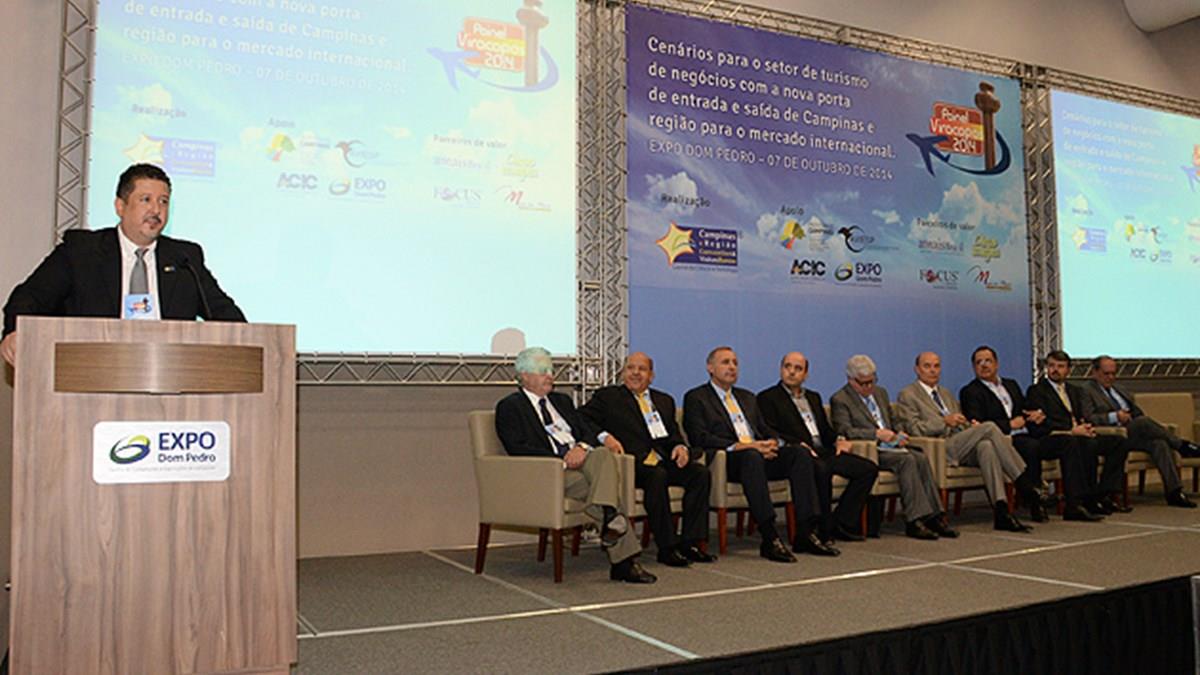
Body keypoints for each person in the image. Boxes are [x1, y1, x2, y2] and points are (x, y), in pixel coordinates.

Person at [2, 163, 244, 365]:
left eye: (163, 201)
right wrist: (14, 333)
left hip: (169, 373)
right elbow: (29, 297)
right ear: (120, 206)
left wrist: (248, 342)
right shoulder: (82, 252)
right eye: (146, 200)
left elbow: (223, 312)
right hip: (94, 371)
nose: (156, 210)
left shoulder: (184, 258)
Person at [494, 347, 655, 583]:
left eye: (551, 370)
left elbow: (587, 430)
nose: (550, 375)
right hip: (551, 472)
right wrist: (561, 460)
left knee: (603, 454)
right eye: (542, 371)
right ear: (524, 376)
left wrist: (581, 447)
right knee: (604, 490)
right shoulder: (510, 406)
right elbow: (517, 447)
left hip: (583, 462)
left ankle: (611, 519)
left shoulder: (562, 401)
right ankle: (622, 558)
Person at [682, 346, 838, 563]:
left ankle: (805, 531)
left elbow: (765, 429)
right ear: (710, 367)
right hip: (728, 460)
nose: (732, 367)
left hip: (759, 456)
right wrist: (745, 447)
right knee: (751, 457)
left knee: (799, 453)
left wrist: (773, 442)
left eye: (735, 363)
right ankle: (769, 536)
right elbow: (700, 437)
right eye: (725, 362)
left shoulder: (747, 397)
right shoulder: (697, 397)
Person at [580, 352, 716, 567]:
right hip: (630, 463)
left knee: (700, 474)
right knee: (657, 476)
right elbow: (582, 419)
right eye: (630, 368)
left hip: (662, 460)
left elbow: (672, 434)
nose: (635, 373)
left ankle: (691, 543)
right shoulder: (608, 397)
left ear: (651, 376)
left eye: (642, 369)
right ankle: (667, 547)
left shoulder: (664, 400)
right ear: (623, 373)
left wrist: (680, 447)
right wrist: (605, 437)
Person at [896, 352, 1040, 532]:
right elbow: (914, 429)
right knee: (989, 427)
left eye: (936, 366)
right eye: (927, 366)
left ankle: (1001, 510)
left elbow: (960, 423)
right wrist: (943, 422)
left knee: (986, 446)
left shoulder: (945, 393)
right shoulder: (908, 394)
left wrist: (970, 427)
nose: (933, 370)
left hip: (959, 443)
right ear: (917, 369)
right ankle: (1024, 482)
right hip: (938, 448)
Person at [830, 355, 957, 540]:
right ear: (851, 380)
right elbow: (844, 430)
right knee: (907, 460)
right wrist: (876, 434)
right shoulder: (840, 399)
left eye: (872, 381)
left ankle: (934, 516)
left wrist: (899, 433)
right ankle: (914, 520)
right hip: (871, 450)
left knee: (920, 457)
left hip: (892, 446)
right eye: (863, 383)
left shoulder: (880, 393)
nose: (869, 387)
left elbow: (893, 419)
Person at [757, 352, 878, 543]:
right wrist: (797, 444)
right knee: (822, 469)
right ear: (781, 369)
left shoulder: (813, 397)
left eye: (798, 368)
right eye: (787, 367)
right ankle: (822, 530)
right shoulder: (768, 397)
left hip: (823, 450)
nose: (791, 372)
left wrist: (839, 440)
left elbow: (825, 430)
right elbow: (770, 431)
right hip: (799, 454)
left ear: (806, 374)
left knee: (868, 469)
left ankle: (841, 521)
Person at [1079, 355, 1200, 508]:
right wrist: (1114, 416)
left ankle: (1174, 492)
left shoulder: (1120, 389)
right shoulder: (1086, 390)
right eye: (1106, 374)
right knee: (1143, 422)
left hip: (1132, 432)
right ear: (1094, 372)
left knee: (1159, 443)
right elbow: (1089, 417)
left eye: (1113, 373)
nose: (1110, 377)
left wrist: (1131, 418)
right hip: (1111, 435)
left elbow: (1137, 412)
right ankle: (1182, 446)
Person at [1024, 350, 1130, 520]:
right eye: (1051, 366)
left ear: (1068, 370)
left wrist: (1085, 426)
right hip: (1051, 438)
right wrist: (1070, 430)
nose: (1055, 370)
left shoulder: (1074, 390)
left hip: (1076, 434)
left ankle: (1103, 494)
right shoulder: (1037, 391)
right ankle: (1075, 504)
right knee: (1082, 443)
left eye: (1060, 366)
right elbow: (1040, 421)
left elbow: (1082, 415)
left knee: (1118, 442)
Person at [958, 345, 1060, 521]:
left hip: (1025, 432)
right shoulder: (970, 391)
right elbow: (978, 423)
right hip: (1004, 438)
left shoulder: (1011, 385)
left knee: (1059, 442)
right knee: (1030, 447)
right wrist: (1009, 425)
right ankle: (1034, 498)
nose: (984, 365)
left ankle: (1070, 499)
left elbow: (1023, 409)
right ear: (973, 367)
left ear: (996, 364)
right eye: (979, 362)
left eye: (988, 361)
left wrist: (1034, 414)